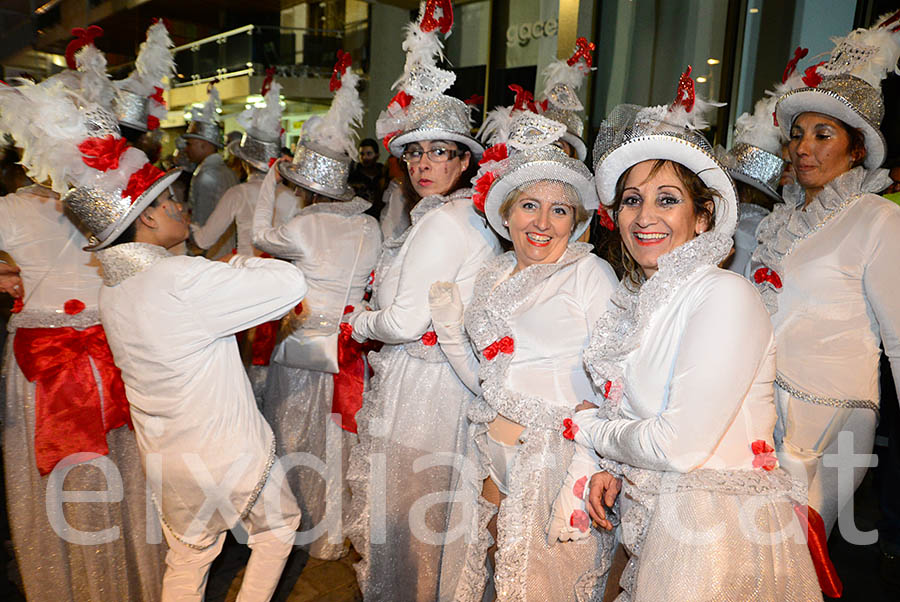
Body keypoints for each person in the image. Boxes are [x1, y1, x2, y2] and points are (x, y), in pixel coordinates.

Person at [566, 70, 825, 601]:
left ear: (704, 217)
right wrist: (611, 464)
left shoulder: (723, 295)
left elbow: (678, 446)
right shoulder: (642, 300)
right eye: (632, 200)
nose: (644, 217)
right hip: (654, 518)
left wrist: (589, 432)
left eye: (667, 199)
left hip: (711, 542)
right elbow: (642, 411)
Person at [346, 6, 502, 599]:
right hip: (448, 386)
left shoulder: (443, 224)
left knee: (413, 522)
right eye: (415, 154)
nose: (423, 164)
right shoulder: (461, 215)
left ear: (465, 161)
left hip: (428, 389)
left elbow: (409, 321)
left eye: (440, 152)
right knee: (437, 522)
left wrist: (360, 321)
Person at [434, 110, 618, 600]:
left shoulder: (589, 274)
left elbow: (618, 376)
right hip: (488, 444)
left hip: (552, 457)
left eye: (559, 210)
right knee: (489, 570)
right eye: (529, 206)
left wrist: (594, 456)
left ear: (576, 222)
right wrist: (450, 331)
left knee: (540, 587)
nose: (541, 223)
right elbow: (490, 373)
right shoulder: (494, 274)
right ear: (507, 213)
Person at [0, 61, 167, 601]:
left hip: (43, 361)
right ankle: (133, 579)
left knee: (63, 476)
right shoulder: (109, 206)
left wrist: (14, 277)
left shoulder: (9, 211)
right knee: (122, 470)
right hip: (110, 347)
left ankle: (70, 585)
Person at [752, 14, 900, 536]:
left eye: (822, 134)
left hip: (834, 416)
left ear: (856, 147)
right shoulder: (780, 220)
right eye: (796, 135)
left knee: (795, 554)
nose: (803, 147)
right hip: (761, 410)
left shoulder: (879, 220)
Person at [252, 58, 381, 561]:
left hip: (305, 342)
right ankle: (334, 527)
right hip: (351, 345)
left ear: (306, 185)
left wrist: (269, 183)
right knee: (339, 437)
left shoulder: (304, 226)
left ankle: (296, 518)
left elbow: (261, 236)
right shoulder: (369, 227)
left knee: (294, 430)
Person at [184, 85, 239, 257]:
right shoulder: (224, 170)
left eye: (190, 144)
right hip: (223, 248)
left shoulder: (208, 175)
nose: (186, 149)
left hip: (211, 251)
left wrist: (196, 254)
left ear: (204, 145)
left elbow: (202, 221)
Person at [348, 137, 387, 212]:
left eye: (369, 154)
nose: (365, 157)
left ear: (377, 155)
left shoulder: (384, 173)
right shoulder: (353, 176)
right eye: (362, 154)